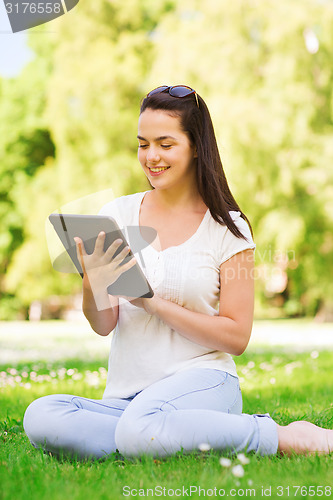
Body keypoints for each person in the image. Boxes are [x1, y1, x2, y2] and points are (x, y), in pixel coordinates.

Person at [23, 85, 332, 460]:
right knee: (42, 415)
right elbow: (104, 324)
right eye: (143, 144)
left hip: (203, 382)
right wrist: (93, 279)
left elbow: (236, 336)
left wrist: (152, 303)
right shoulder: (117, 214)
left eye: (165, 144)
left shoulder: (228, 228)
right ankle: (156, 440)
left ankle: (281, 436)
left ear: (196, 146)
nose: (151, 156)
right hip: (129, 395)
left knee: (140, 427)